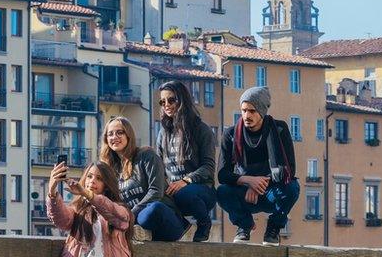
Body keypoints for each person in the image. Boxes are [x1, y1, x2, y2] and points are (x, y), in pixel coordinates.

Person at [216, 86, 299, 245]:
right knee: (222, 192)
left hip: (270, 191)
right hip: (244, 193)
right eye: (244, 110)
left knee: (292, 188)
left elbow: (288, 170)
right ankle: (244, 225)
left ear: (261, 111)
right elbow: (222, 174)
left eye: (252, 111)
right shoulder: (231, 134)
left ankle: (274, 227)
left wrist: (257, 184)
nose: (247, 115)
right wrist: (247, 181)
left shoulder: (279, 129)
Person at [100, 116, 190, 242]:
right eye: (110, 134)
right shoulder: (110, 169)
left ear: (129, 135)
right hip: (133, 225)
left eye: (120, 132)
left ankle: (141, 232)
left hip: (163, 220)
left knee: (153, 209)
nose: (114, 137)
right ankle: (139, 233)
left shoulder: (146, 156)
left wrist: (130, 215)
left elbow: (155, 191)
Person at [156, 80, 217, 242]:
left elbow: (208, 167)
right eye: (162, 102)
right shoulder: (163, 134)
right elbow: (159, 167)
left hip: (201, 191)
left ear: (182, 100)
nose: (166, 105)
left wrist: (185, 180)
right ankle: (181, 224)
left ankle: (204, 223)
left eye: (171, 100)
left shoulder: (201, 130)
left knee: (184, 193)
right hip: (173, 191)